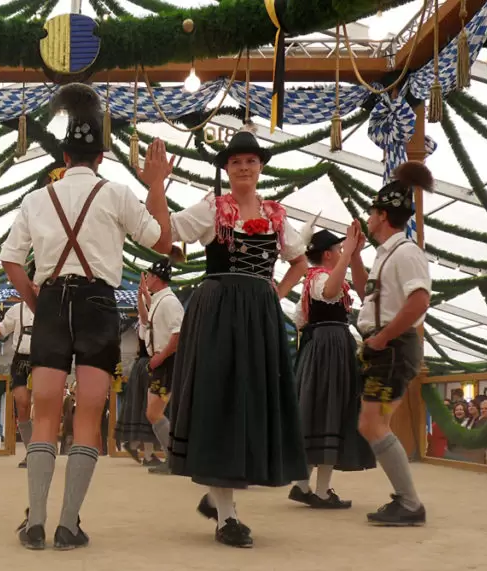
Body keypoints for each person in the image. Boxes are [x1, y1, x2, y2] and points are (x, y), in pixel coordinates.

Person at [0, 82, 173, 551]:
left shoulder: (37, 199)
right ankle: (68, 525)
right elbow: (162, 240)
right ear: (99, 158)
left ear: (63, 158)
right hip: (98, 304)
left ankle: (34, 521)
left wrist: (39, 304)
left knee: (44, 412)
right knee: (89, 415)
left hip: (52, 300)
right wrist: (156, 183)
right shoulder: (115, 194)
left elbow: (11, 260)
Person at [163, 130, 310, 548]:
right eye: (236, 162)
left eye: (251, 161)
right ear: (226, 170)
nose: (244, 167)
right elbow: (169, 230)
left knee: (249, 398)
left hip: (259, 313)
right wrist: (157, 186)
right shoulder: (213, 208)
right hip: (219, 308)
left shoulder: (276, 214)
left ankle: (218, 497)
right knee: (221, 399)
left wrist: (274, 293)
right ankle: (226, 516)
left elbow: (297, 260)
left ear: (260, 167)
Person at [350, 161, 433, 527]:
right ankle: (406, 499)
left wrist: (382, 337)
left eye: (371, 212)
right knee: (376, 422)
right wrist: (353, 255)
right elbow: (363, 292)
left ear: (383, 215)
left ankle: (411, 502)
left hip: (393, 346)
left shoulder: (406, 253)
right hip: (388, 346)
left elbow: (420, 300)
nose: (368, 218)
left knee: (371, 424)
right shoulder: (388, 254)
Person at [289, 229, 375, 510]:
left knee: (322, 410)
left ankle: (304, 486)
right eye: (338, 250)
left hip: (323, 347)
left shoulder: (316, 278)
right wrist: (348, 254)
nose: (341, 254)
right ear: (327, 254)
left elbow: (300, 320)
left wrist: (353, 254)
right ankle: (321, 492)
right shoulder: (321, 278)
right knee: (331, 410)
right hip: (330, 347)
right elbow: (328, 292)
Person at [0, 261, 39, 468]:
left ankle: (41, 452)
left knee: (42, 408)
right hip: (21, 360)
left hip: (45, 360)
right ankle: (31, 451)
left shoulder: (53, 309)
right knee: (22, 405)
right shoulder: (16, 310)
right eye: (34, 282)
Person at [138, 251, 185, 475]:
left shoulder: (169, 303)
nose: (146, 278)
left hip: (167, 362)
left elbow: (178, 334)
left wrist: (161, 355)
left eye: (148, 275)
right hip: (161, 361)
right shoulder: (161, 300)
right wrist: (143, 298)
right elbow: (148, 321)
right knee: (152, 412)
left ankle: (173, 457)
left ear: (156, 277)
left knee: (154, 412)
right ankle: (172, 456)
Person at [115, 319, 160, 467]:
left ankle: (134, 445)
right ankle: (147, 455)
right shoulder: (151, 321)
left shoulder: (144, 322)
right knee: (150, 407)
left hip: (141, 365)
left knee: (143, 408)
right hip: (149, 364)